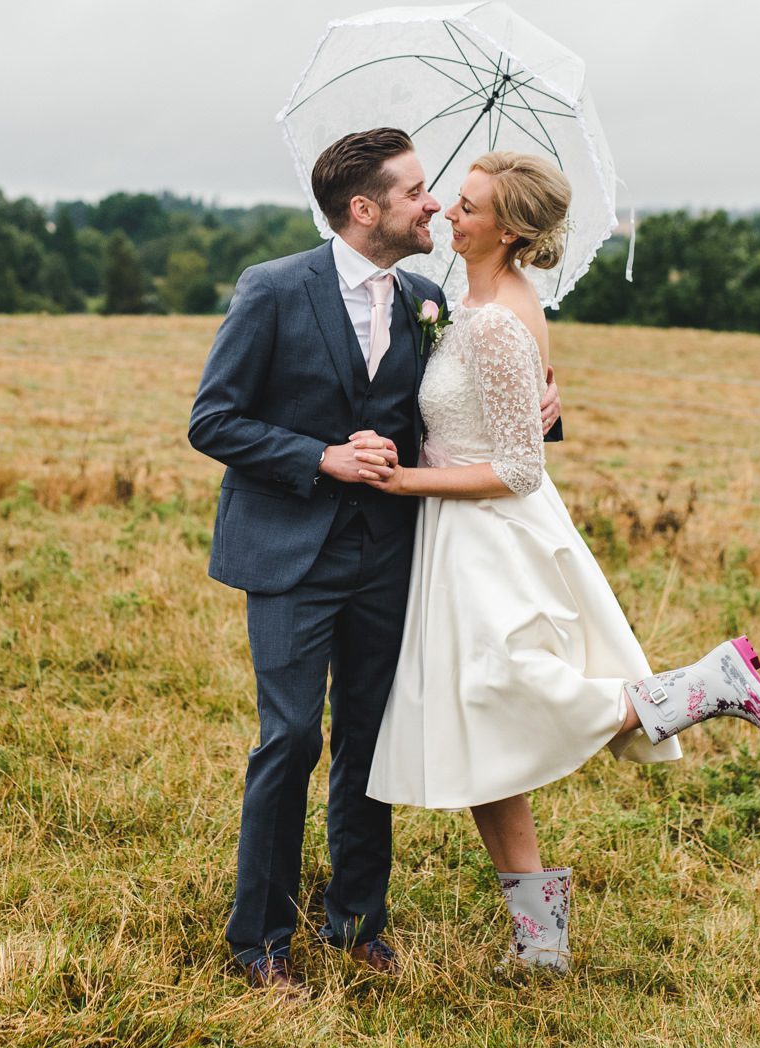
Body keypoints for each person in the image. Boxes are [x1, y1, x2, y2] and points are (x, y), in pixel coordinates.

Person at [361, 151, 760, 974]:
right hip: (455, 533)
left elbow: (522, 466)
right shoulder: (468, 301)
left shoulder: (495, 319)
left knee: (505, 690)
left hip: (490, 535)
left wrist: (402, 478)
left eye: (468, 207)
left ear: (511, 229)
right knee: (480, 729)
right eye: (452, 202)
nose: (449, 216)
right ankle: (541, 942)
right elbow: (501, 419)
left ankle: (701, 688)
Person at [187, 128, 561, 998]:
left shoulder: (431, 300)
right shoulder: (274, 290)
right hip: (290, 552)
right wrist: (323, 456)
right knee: (290, 738)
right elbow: (213, 420)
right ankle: (262, 941)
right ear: (365, 209)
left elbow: (472, 410)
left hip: (392, 558)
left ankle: (357, 922)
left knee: (368, 739)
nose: (432, 203)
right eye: (416, 190)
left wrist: (550, 393)